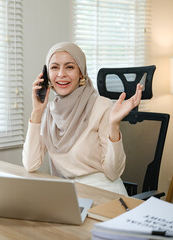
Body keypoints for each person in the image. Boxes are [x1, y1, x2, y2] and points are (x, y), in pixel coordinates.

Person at [22, 42, 142, 195]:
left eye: (69, 67)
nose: (61, 74)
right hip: (68, 194)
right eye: (54, 67)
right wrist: (37, 113)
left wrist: (114, 126)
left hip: (104, 192)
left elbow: (113, 173)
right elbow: (31, 164)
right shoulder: (49, 112)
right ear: (46, 76)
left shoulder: (101, 106)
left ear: (81, 73)